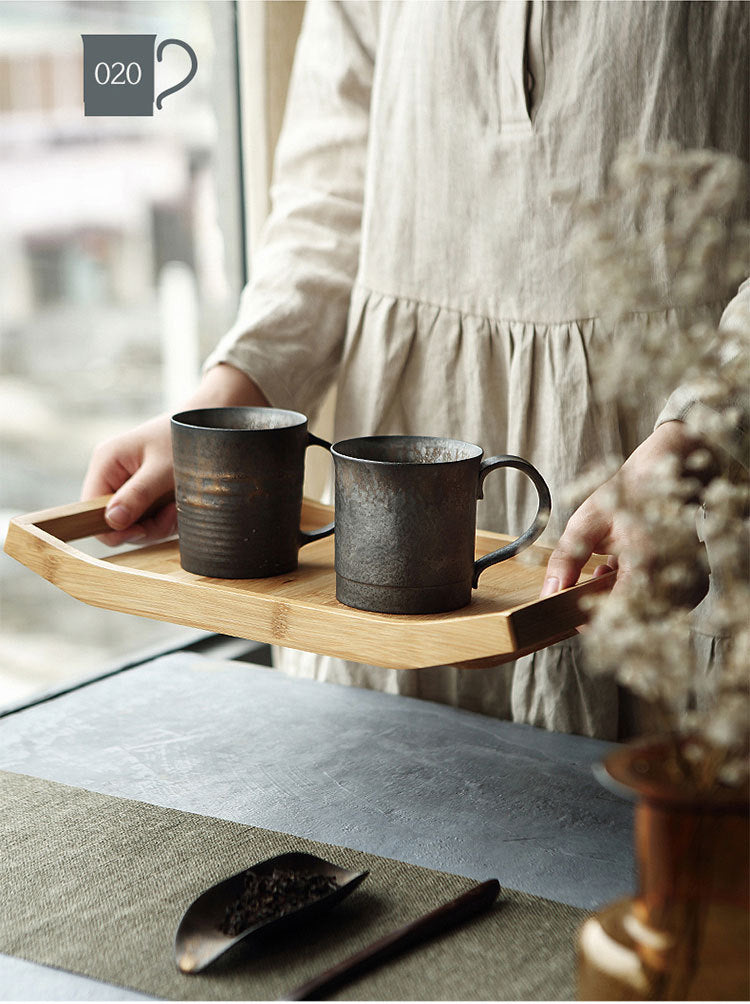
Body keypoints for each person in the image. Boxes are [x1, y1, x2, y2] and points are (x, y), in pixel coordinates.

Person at [83, 1, 749, 740]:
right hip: (387, 475)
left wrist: (699, 435)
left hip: (665, 475)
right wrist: (227, 409)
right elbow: (328, 206)